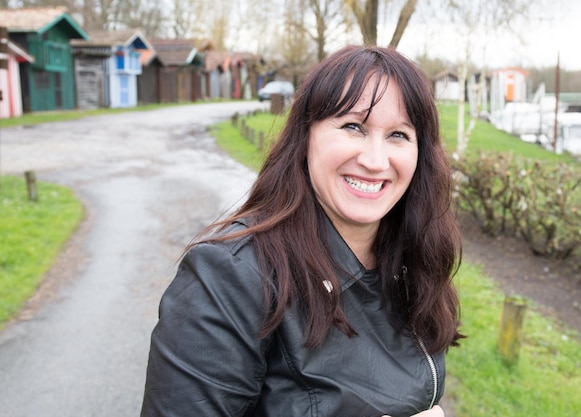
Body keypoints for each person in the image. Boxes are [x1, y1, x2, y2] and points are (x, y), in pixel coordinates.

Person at [141, 44, 463, 417]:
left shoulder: (411, 263)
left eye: (398, 135)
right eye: (353, 127)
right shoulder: (230, 279)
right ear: (306, 136)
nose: (375, 161)